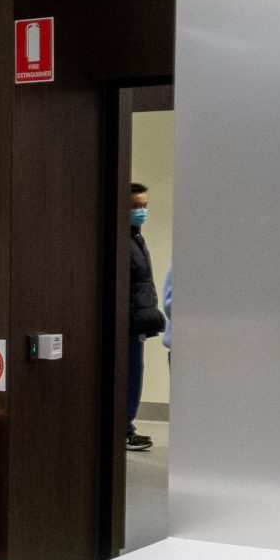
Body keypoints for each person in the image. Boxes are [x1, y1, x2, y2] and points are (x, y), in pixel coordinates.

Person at [125, 183, 165, 451]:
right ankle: (124, 429)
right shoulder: (123, 242)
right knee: (128, 377)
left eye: (144, 206)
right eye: (136, 206)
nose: (141, 211)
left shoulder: (136, 239)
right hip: (126, 325)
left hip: (136, 323)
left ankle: (127, 427)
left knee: (134, 376)